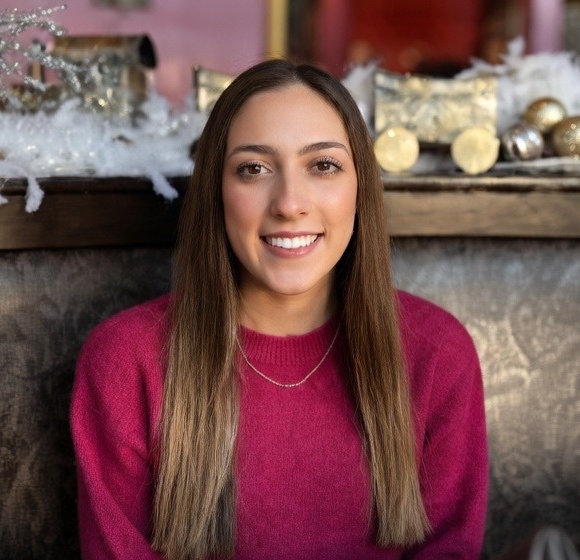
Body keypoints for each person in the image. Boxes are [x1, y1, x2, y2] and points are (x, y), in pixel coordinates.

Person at [70, 59, 488, 560]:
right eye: (254, 169)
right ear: (216, 193)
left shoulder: (436, 352)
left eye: (323, 165)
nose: (290, 203)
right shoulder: (126, 361)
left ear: (360, 189)